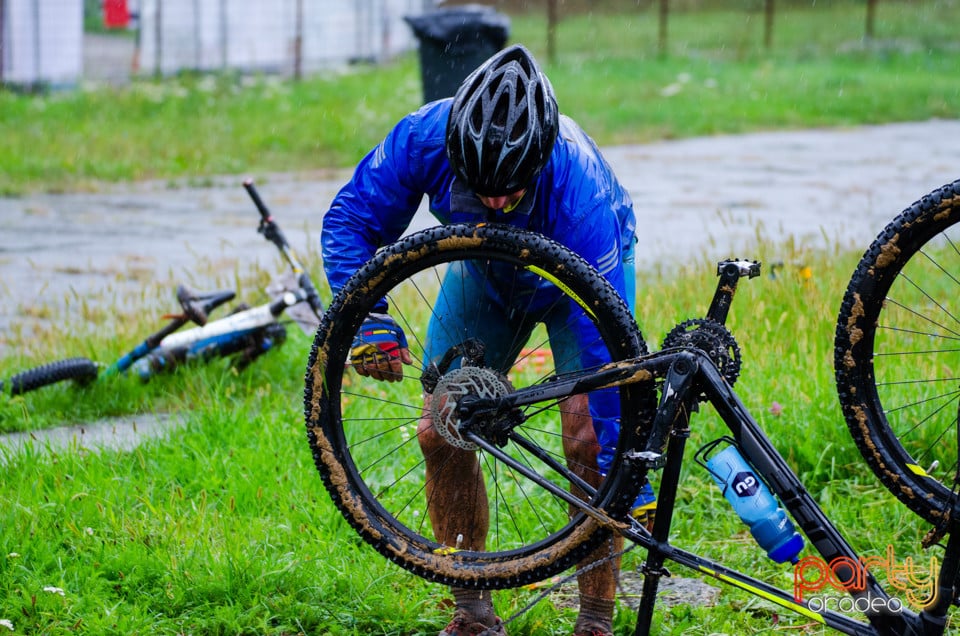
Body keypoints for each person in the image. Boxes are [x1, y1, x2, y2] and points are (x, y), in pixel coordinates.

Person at [320, 43, 655, 636]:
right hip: (486, 271)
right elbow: (350, 222)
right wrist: (368, 317)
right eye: (482, 188)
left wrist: (631, 470)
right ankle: (472, 610)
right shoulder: (423, 136)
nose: (497, 202)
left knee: (589, 436)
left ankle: (595, 620)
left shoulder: (580, 193)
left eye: (512, 190)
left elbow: (612, 356)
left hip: (583, 278)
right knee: (442, 427)